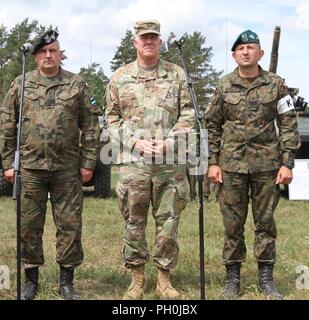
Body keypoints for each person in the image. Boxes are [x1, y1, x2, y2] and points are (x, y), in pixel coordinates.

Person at [0, 30, 100, 300]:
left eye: (53, 51)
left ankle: (67, 282)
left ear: (60, 54)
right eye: (43, 52)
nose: (48, 55)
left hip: (67, 168)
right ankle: (30, 280)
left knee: (70, 226)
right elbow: (7, 125)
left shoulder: (76, 84)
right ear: (35, 57)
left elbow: (90, 126)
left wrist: (89, 162)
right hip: (30, 168)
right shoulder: (20, 84)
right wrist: (9, 163)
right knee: (28, 226)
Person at [207, 30, 300, 300]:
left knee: (266, 223)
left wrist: (288, 163)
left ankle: (266, 278)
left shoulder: (276, 84)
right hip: (231, 167)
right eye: (241, 48)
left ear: (260, 53)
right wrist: (213, 162)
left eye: (251, 47)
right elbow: (212, 124)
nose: (246, 52)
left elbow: (288, 123)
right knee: (232, 225)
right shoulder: (224, 85)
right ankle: (232, 278)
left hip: (267, 166)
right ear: (234, 55)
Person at [106, 20, 195, 300]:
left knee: (168, 221)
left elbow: (189, 113)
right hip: (135, 164)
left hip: (170, 164)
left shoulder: (177, 74)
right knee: (134, 221)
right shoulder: (120, 77)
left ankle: (164, 280)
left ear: (160, 42)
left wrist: (172, 140)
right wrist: (135, 142)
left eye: (153, 38)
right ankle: (136, 278)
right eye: (143, 38)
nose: (148, 42)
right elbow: (111, 118)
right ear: (135, 42)